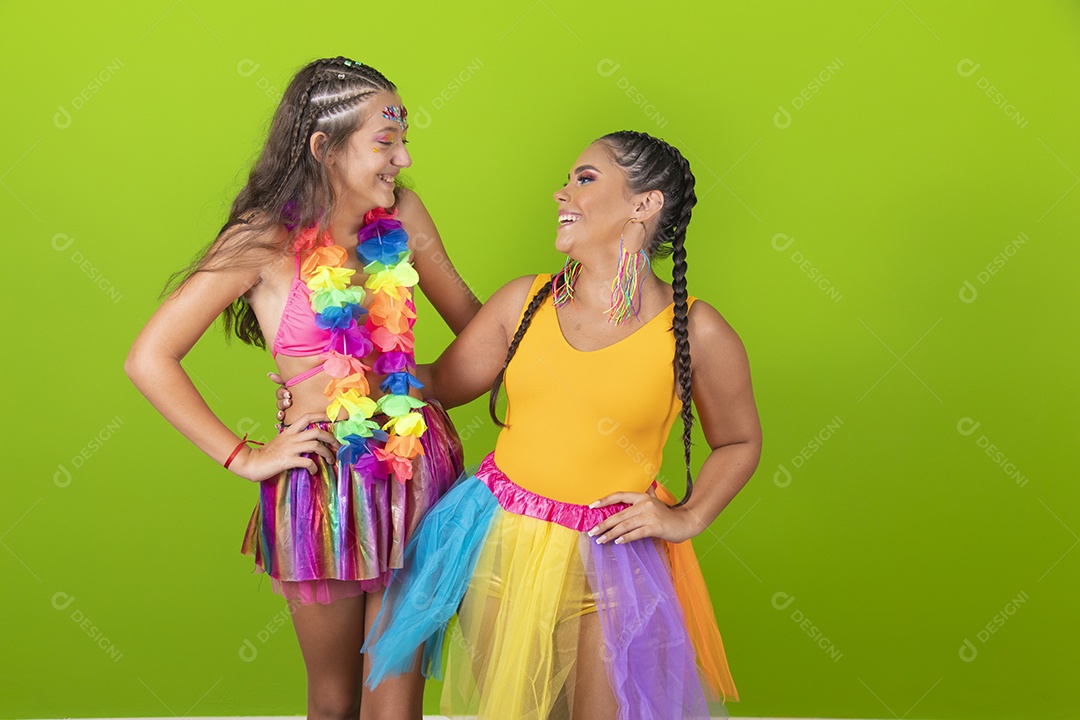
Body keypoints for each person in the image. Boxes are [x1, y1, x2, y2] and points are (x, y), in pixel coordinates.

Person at [355, 130, 762, 719]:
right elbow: (440, 383)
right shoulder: (525, 301)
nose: (560, 193)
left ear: (643, 205)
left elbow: (740, 440)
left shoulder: (695, 331)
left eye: (585, 179)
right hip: (501, 539)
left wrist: (688, 516)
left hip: (613, 551)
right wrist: (341, 376)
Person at [124, 56, 480, 718]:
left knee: (396, 700)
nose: (401, 159)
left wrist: (566, 311)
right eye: (385, 142)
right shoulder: (264, 239)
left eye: (404, 141)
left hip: (415, 470)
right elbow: (150, 357)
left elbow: (480, 330)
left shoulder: (404, 215)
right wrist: (245, 455)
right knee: (334, 698)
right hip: (322, 485)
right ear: (324, 148)